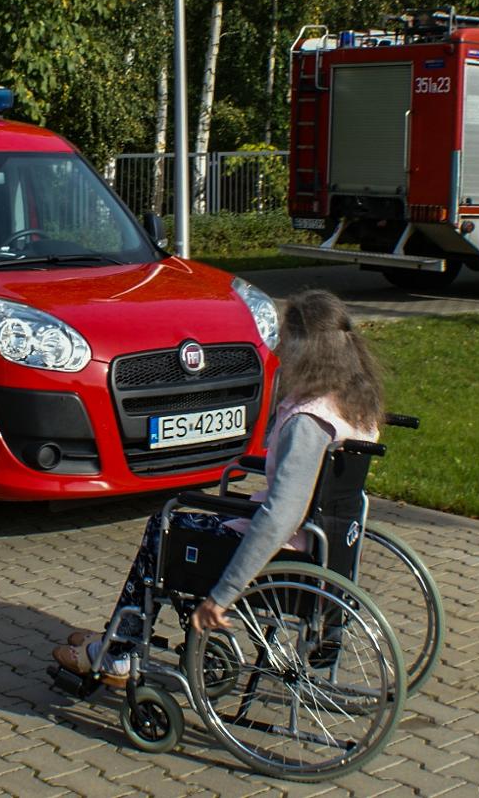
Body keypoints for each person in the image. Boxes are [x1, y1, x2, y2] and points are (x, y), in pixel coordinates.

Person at [52, 290, 387, 686]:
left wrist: (223, 596)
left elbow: (282, 515)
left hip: (283, 548)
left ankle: (118, 653)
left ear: (305, 348)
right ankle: (118, 635)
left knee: (165, 528)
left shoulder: (308, 422)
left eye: (283, 339)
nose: (277, 347)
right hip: (328, 543)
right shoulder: (352, 405)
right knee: (189, 521)